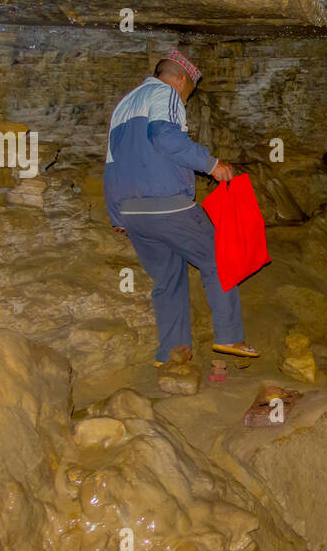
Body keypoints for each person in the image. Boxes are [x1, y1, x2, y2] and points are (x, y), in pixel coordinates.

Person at [105, 48, 258, 365]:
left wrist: (117, 214)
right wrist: (212, 164)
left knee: (169, 278)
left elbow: (111, 163)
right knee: (219, 258)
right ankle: (230, 337)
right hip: (167, 204)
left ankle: (172, 352)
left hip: (133, 212)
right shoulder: (165, 94)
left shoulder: (124, 105)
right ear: (179, 79)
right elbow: (165, 137)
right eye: (188, 91)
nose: (186, 100)